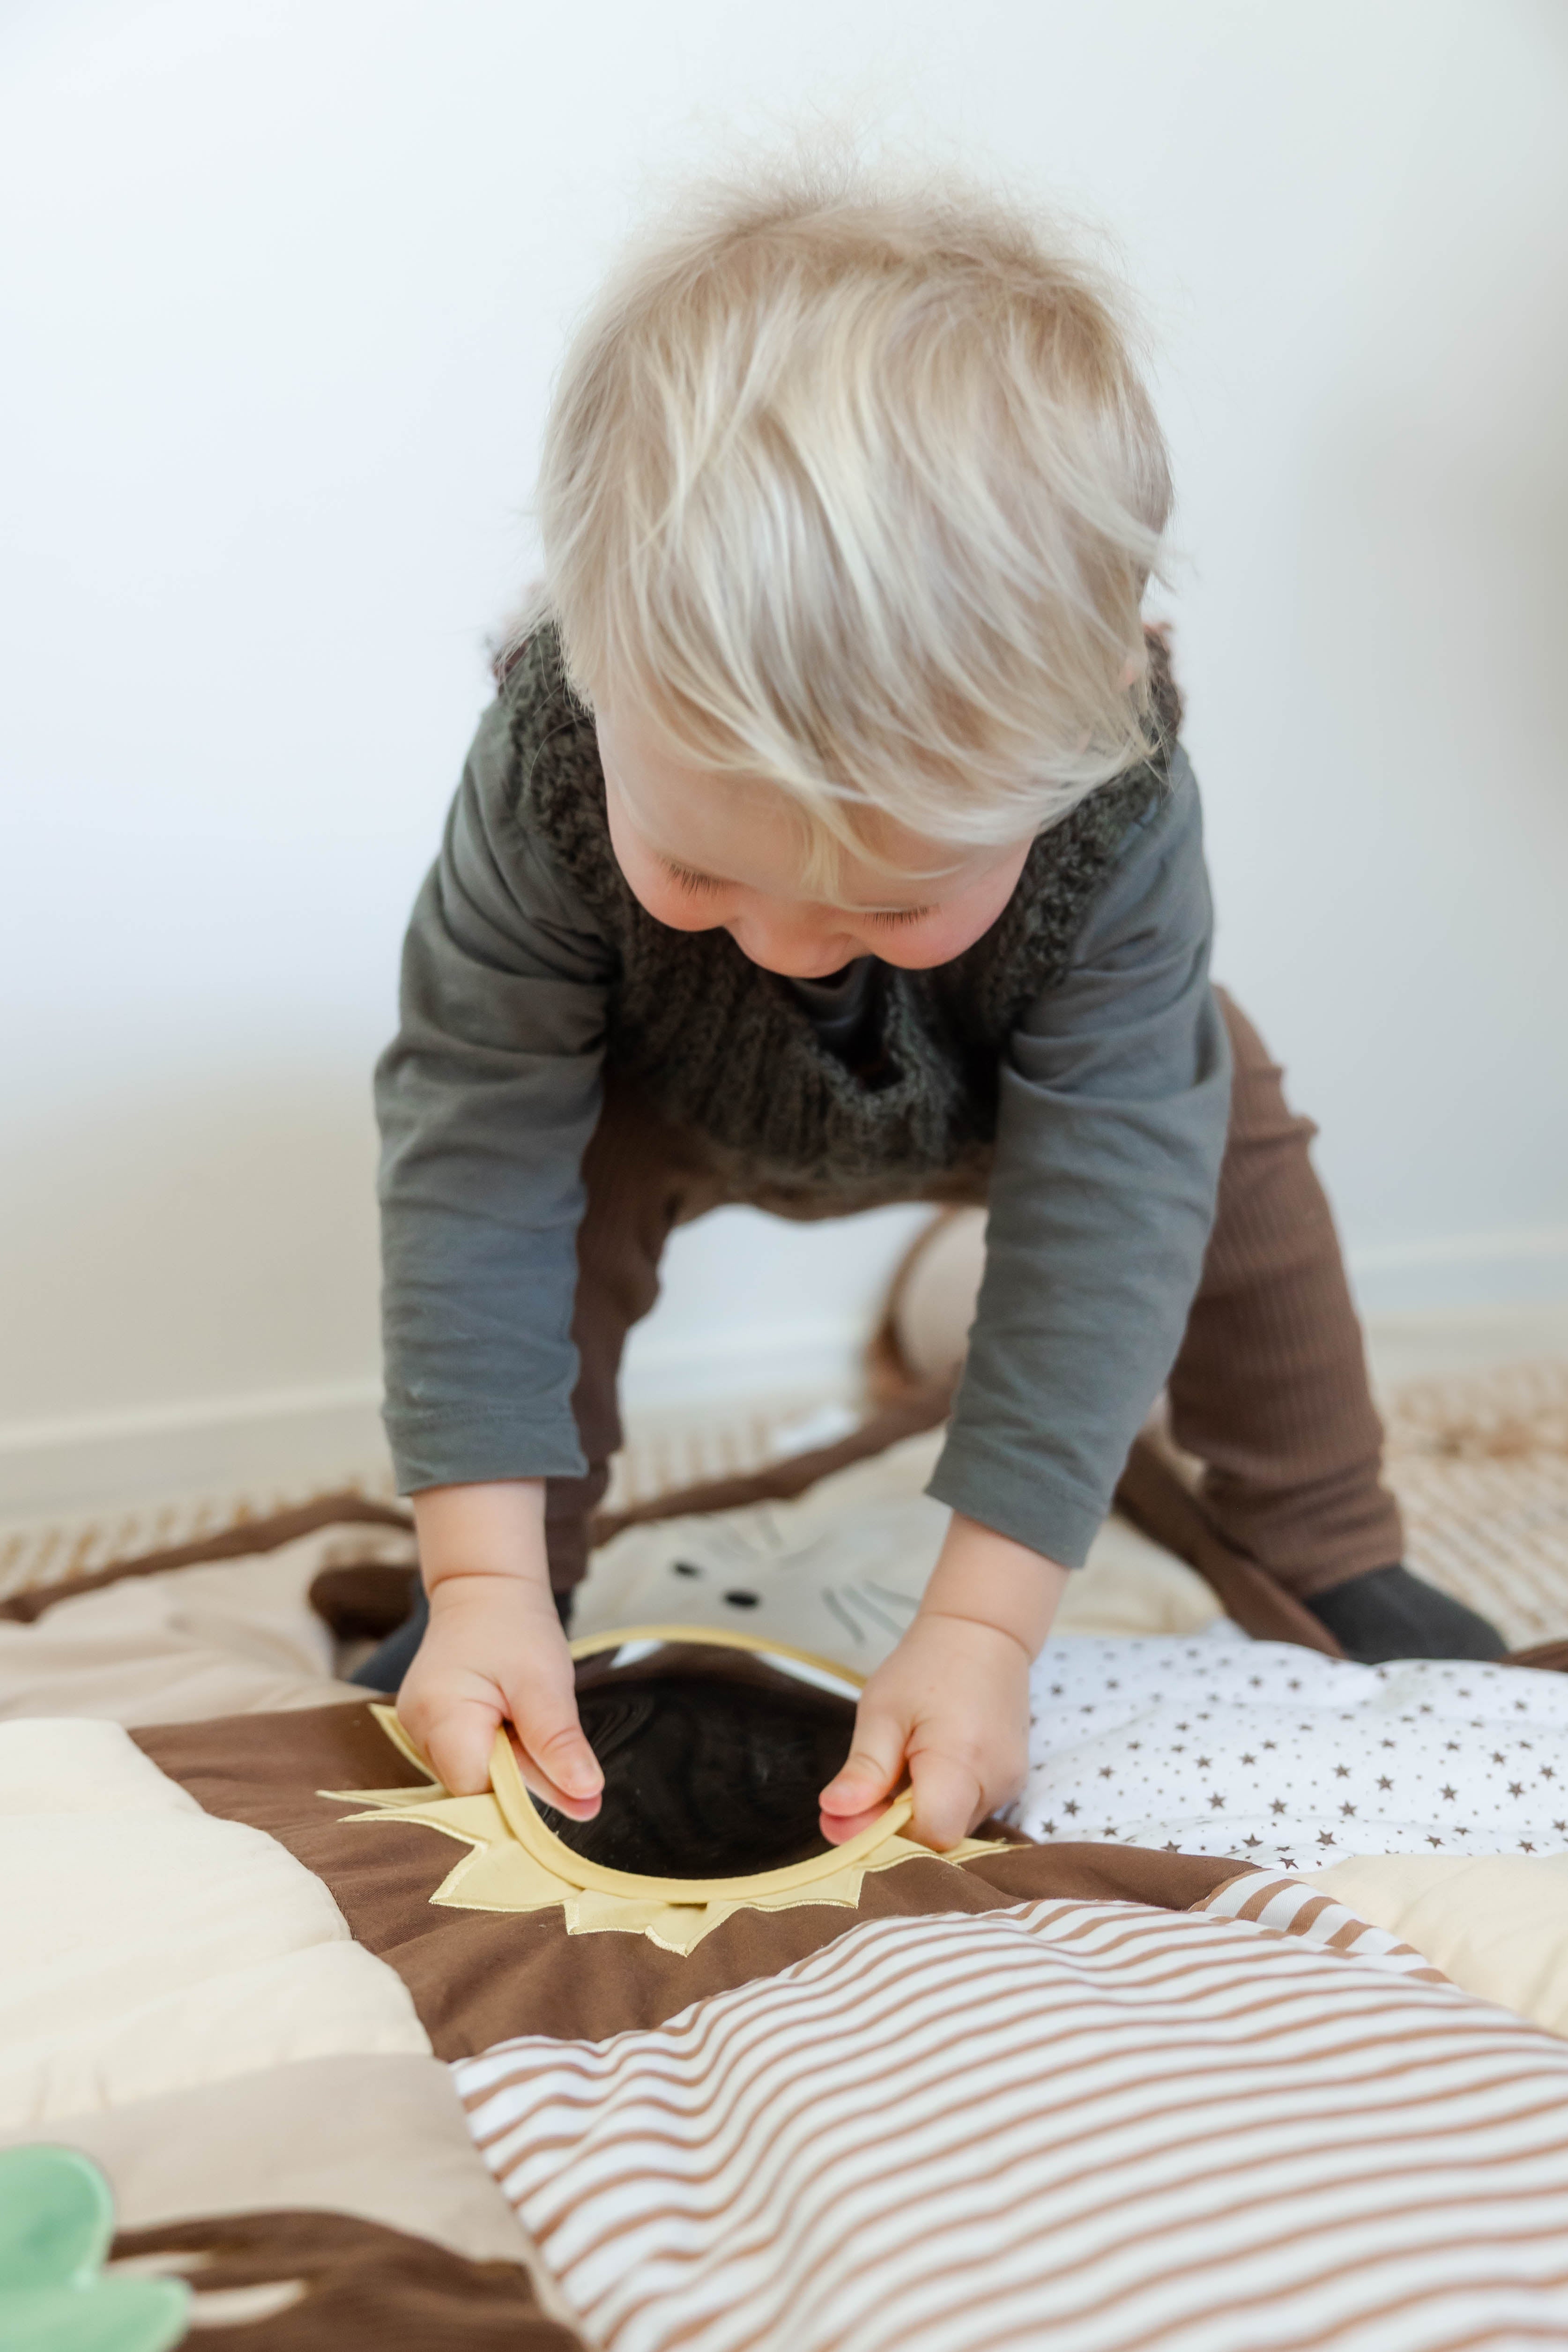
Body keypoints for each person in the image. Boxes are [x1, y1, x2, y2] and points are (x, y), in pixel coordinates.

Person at [368, 161, 1501, 1854]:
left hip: (1003, 1093)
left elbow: (1109, 1202)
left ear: (1094, 715)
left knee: (1220, 1120)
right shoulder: (542, 769)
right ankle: (530, 1571)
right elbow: (471, 1158)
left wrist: (978, 1626)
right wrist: (472, 1571)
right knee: (551, 1169)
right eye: (697, 872)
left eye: (888, 896)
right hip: (653, 1091)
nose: (793, 949)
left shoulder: (1118, 811)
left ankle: (1330, 1534)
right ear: (585, 660)